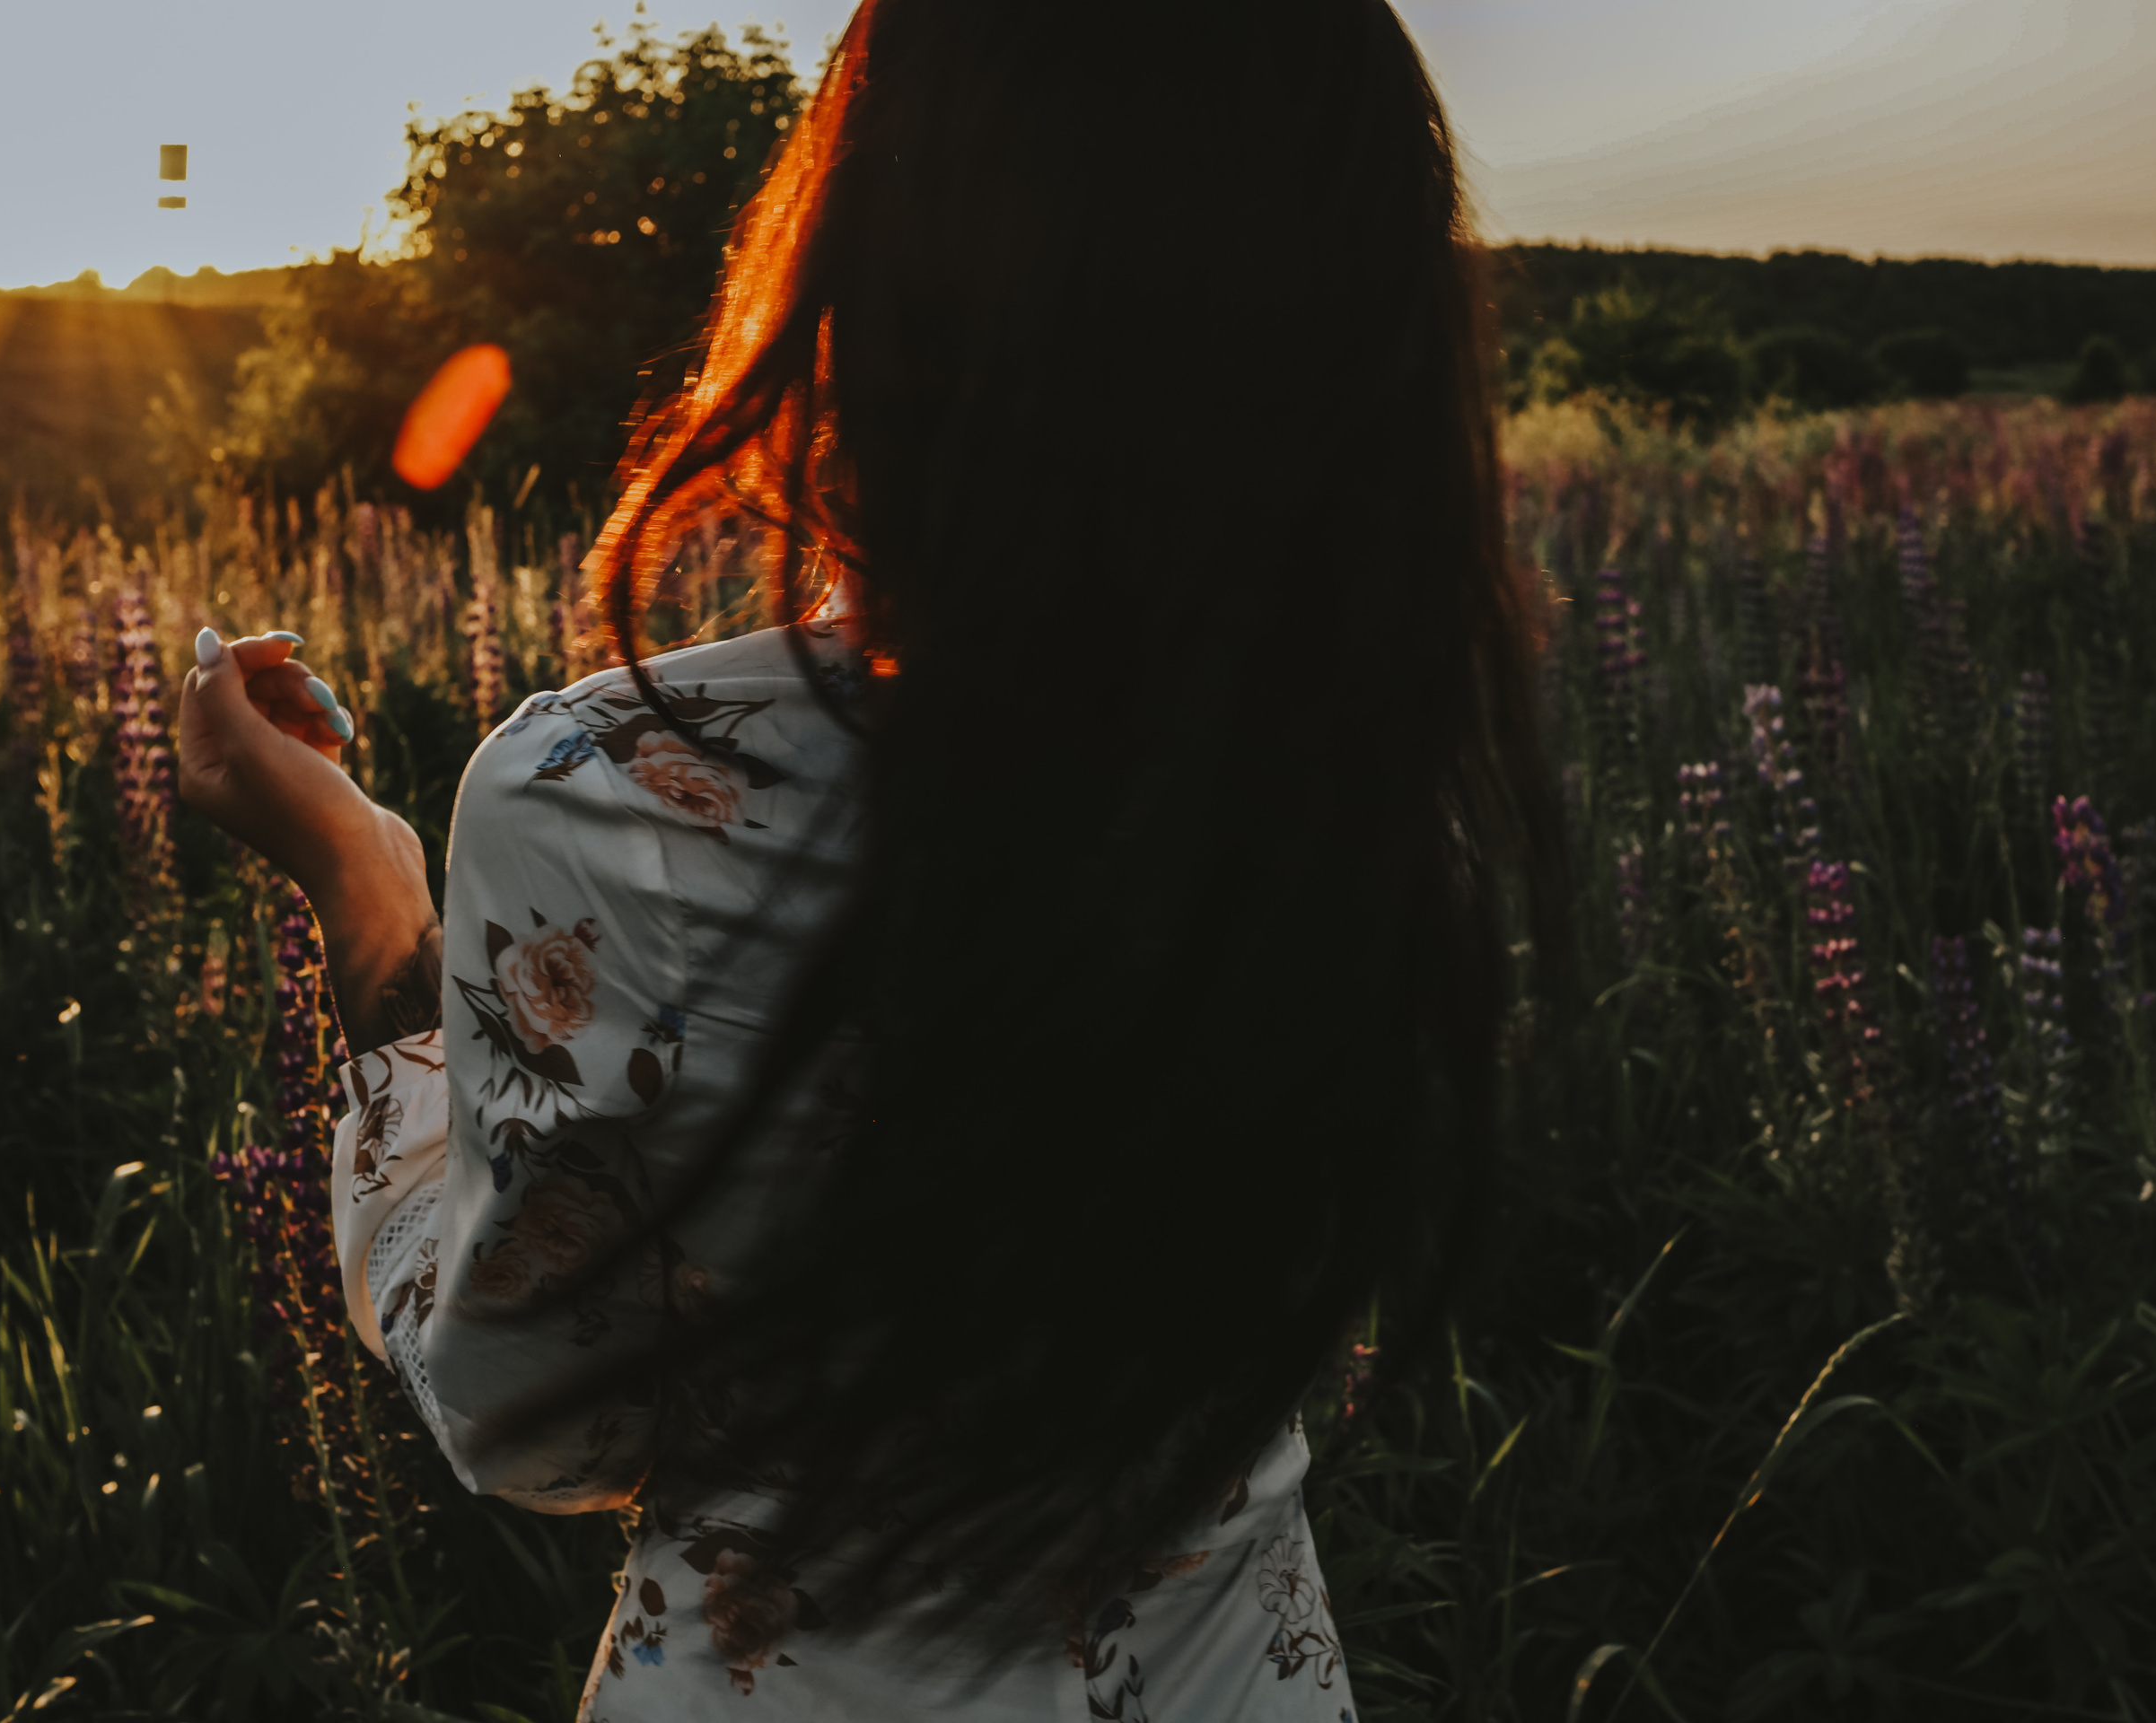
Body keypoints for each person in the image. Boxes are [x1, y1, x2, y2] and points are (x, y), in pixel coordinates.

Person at [177, 1, 1558, 1716]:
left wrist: (373, 902)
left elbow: (530, 1423)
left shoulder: (612, 795)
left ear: (882, 266)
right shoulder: (1360, 764)